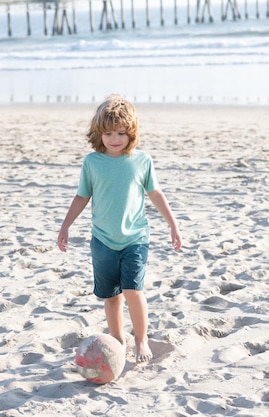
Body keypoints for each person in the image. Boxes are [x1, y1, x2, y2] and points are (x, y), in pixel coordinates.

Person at [57, 94, 182, 363]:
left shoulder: (142, 161)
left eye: (122, 133)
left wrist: (173, 225)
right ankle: (118, 341)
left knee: (133, 290)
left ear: (132, 133)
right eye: (109, 133)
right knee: (111, 297)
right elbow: (82, 197)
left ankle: (141, 339)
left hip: (135, 238)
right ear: (99, 133)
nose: (115, 139)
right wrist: (65, 226)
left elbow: (156, 194)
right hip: (102, 240)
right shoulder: (92, 162)